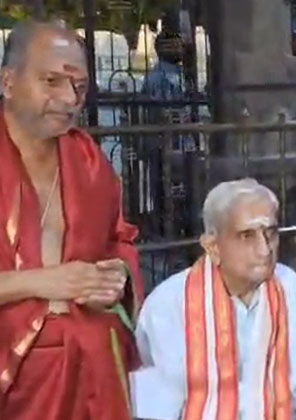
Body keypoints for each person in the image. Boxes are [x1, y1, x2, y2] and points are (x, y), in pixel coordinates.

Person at [0, 20, 144, 420]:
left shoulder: (88, 161)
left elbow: (120, 241)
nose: (68, 99)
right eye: (51, 81)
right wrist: (37, 281)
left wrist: (117, 277)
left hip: (92, 365)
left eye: (79, 87)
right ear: (8, 83)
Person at [130, 178, 296, 420]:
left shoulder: (291, 287)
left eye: (271, 234)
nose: (265, 250)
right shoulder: (168, 305)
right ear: (213, 247)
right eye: (247, 236)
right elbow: (158, 411)